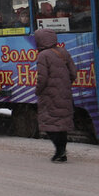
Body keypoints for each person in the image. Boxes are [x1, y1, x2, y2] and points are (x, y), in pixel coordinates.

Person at [33, 28, 77, 162]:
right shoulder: (63, 51)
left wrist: (38, 90)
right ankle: (61, 151)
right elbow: (73, 73)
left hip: (49, 94)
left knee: (49, 124)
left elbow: (42, 77)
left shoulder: (43, 55)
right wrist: (64, 85)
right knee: (61, 124)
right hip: (64, 93)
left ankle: (59, 151)